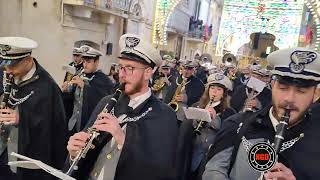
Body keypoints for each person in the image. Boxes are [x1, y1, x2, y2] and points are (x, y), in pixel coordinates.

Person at [66, 34, 179, 180]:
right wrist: (74, 154)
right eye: (121, 67)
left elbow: (160, 170)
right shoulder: (107, 102)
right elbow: (87, 158)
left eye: (130, 68)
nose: (122, 75)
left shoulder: (164, 115)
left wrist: (123, 139)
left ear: (147, 73)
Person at [203, 47, 320, 180]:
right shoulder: (237, 124)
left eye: (301, 91)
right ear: (273, 85)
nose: (289, 98)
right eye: (283, 88)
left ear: (315, 94)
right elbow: (214, 170)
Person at [0, 37, 68, 180]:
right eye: (5, 65)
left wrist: (22, 118)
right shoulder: (8, 72)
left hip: (27, 160)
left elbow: (55, 128)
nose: (7, 70)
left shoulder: (48, 87)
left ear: (28, 60)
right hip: (5, 152)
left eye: (12, 66)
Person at [190, 73, 236, 180]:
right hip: (194, 151)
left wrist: (215, 118)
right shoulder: (197, 105)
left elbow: (227, 134)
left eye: (219, 89)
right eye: (212, 88)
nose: (214, 92)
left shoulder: (230, 112)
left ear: (224, 94)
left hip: (212, 156)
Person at [61, 45, 114, 134]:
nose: (85, 65)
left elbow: (102, 102)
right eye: (84, 61)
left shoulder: (103, 79)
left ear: (96, 62)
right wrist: (66, 90)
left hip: (88, 124)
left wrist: (83, 86)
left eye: (88, 62)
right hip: (73, 123)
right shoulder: (80, 75)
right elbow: (73, 99)